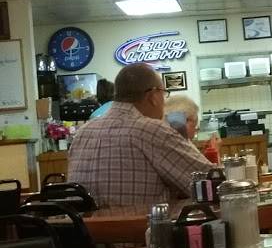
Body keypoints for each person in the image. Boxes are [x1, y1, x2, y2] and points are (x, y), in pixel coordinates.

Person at [67, 63, 214, 207]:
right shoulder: (151, 130)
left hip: (81, 222)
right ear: (153, 96)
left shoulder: (82, 133)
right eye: (163, 94)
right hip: (137, 222)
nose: (164, 101)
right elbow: (210, 181)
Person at [164, 93, 219, 163]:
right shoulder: (178, 145)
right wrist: (214, 151)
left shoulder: (170, 141)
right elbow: (211, 169)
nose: (197, 129)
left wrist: (206, 154)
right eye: (195, 125)